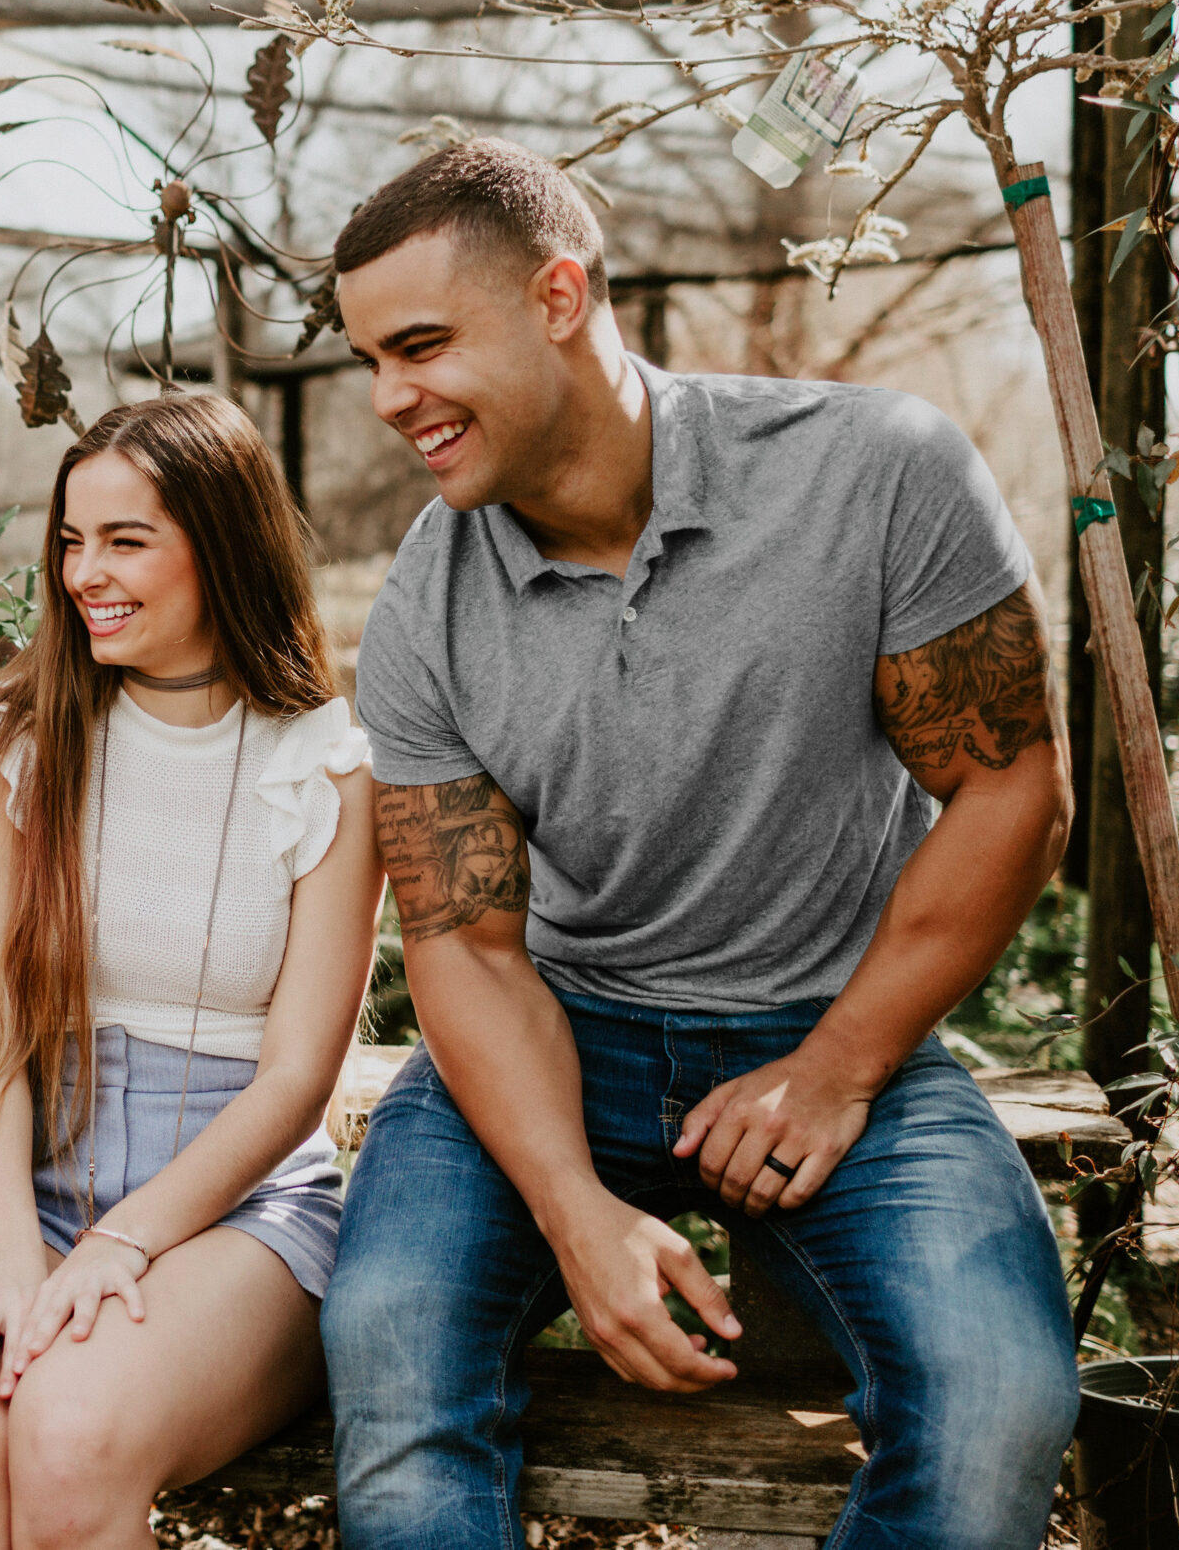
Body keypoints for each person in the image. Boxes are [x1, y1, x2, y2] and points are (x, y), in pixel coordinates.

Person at [319, 139, 1081, 1550]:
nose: (390, 399)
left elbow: (1013, 794)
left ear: (558, 294)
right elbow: (466, 945)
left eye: (421, 345)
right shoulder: (429, 590)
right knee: (389, 1342)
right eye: (370, 358)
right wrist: (572, 1210)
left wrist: (842, 1064)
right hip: (565, 1029)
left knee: (998, 1396)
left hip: (834, 1021)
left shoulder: (874, 472)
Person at [0, 393, 384, 1550]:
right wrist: (8, 1242)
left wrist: (122, 1242)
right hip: (25, 1181)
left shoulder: (328, 765)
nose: (83, 574)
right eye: (69, 540)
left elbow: (297, 1079)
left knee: (69, 1432)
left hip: (239, 1215)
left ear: (222, 544)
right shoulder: (4, 738)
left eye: (126, 541)